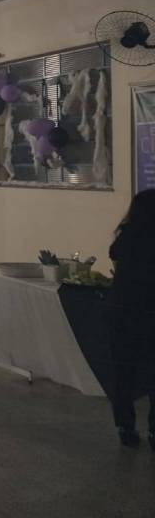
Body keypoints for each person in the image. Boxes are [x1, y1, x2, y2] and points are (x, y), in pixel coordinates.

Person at [107, 189, 155, 449]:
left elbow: (114, 253)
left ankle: (125, 425)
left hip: (124, 312)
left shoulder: (127, 236)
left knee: (124, 370)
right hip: (150, 312)